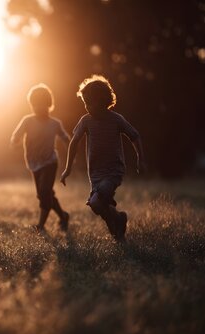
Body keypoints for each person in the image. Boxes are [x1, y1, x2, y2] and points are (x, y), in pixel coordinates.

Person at [60, 75, 146, 242]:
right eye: (85, 103)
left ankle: (117, 228)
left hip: (113, 171)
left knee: (97, 201)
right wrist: (68, 168)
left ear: (103, 100)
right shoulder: (86, 121)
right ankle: (118, 224)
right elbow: (74, 142)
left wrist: (140, 159)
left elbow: (135, 136)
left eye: (90, 102)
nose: (87, 107)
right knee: (97, 204)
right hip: (95, 174)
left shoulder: (116, 119)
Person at [11, 83, 71, 232]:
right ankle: (63, 216)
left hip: (50, 162)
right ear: (31, 105)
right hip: (33, 163)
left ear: (49, 104)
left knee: (44, 192)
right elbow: (16, 135)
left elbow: (66, 138)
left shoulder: (54, 124)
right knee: (45, 194)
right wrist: (15, 141)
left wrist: (71, 152)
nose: (38, 108)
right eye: (35, 105)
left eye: (42, 104)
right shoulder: (27, 121)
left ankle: (41, 225)